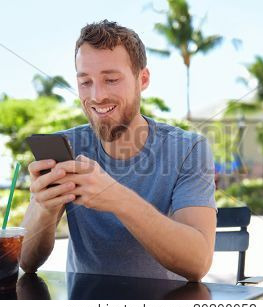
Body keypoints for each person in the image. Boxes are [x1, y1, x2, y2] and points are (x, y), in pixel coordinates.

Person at [20, 20, 217, 282]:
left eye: (111, 80)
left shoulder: (188, 149)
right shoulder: (67, 146)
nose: (97, 95)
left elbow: (197, 263)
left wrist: (116, 198)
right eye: (85, 81)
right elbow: (26, 261)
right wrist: (43, 208)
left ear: (142, 79)